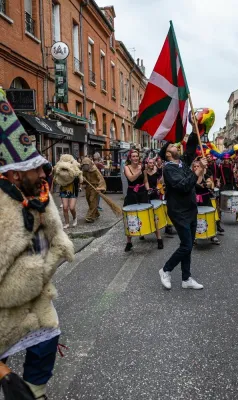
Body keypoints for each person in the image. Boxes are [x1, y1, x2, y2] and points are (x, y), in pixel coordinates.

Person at [0, 89, 74, 400]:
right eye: (36, 168)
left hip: (36, 299)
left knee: (45, 341)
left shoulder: (40, 195)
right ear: (15, 175)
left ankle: (35, 392)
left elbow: (53, 236)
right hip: (4, 308)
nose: (45, 173)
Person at [158, 132, 205, 290]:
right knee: (186, 245)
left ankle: (186, 278)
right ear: (168, 154)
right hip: (179, 211)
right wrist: (197, 172)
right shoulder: (168, 169)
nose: (176, 145)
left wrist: (195, 128)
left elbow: (191, 148)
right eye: (172, 145)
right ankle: (165, 270)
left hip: (190, 209)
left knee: (189, 244)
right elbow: (184, 186)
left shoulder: (181, 163)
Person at [124, 149, 163, 251]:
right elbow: (131, 178)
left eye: (137, 156)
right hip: (132, 194)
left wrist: (148, 189)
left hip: (142, 193)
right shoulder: (127, 167)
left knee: (151, 214)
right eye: (133, 156)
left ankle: (159, 239)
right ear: (130, 158)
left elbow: (145, 181)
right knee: (130, 217)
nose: (135, 158)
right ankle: (129, 242)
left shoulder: (143, 167)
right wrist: (140, 171)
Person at [192, 159, 220, 245]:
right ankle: (194, 237)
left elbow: (210, 183)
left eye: (198, 166)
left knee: (210, 216)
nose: (196, 168)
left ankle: (212, 235)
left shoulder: (205, 175)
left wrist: (205, 184)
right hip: (194, 200)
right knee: (193, 218)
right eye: (195, 166)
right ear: (192, 168)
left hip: (205, 199)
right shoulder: (191, 177)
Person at [81, 157, 106, 223]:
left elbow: (101, 179)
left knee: (93, 200)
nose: (85, 167)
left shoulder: (95, 170)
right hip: (88, 187)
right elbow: (83, 178)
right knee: (89, 200)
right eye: (84, 165)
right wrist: (83, 179)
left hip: (95, 187)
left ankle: (90, 216)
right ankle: (96, 213)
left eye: (86, 165)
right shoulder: (84, 171)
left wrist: (100, 188)